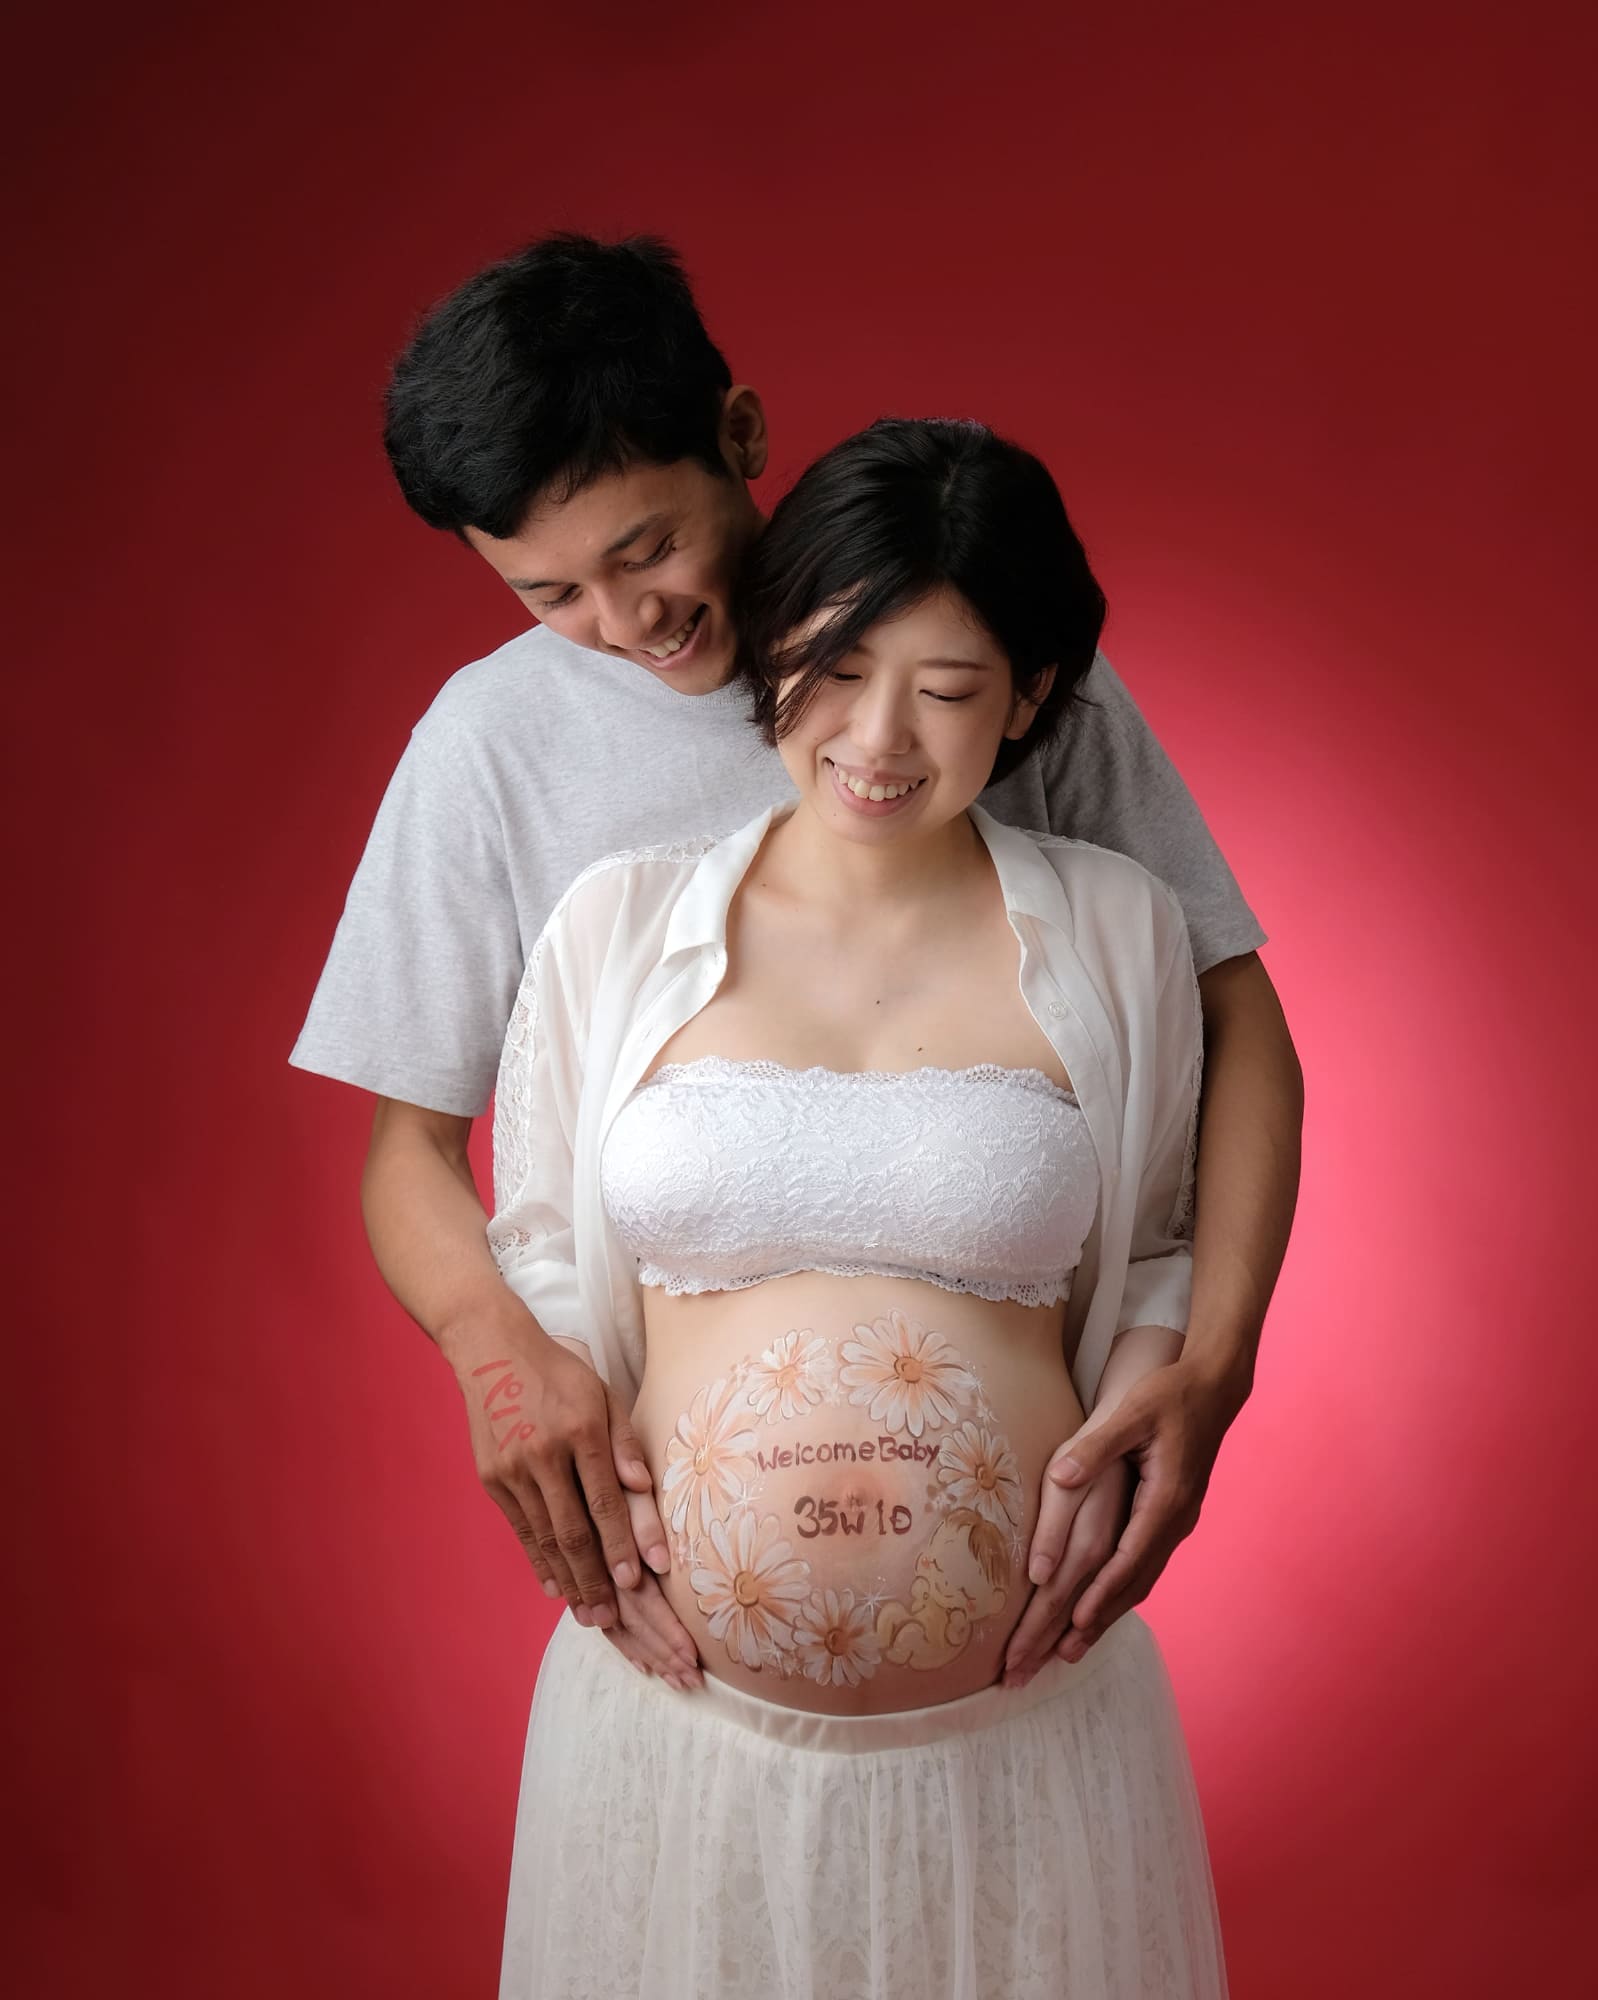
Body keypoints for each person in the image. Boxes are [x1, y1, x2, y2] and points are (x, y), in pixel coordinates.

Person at [291, 233, 1301, 1692]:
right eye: (548, 594)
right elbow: (409, 1147)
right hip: (683, 1650)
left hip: (1011, 1641)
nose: (624, 626)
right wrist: (496, 1357)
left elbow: (1232, 1015)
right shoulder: (489, 746)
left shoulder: (972, 642)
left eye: (647, 550)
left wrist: (1213, 1364)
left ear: (742, 434)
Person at [486, 414, 1228, 1996]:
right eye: (831, 669)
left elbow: (1158, 1241)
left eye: (947, 690)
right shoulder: (615, 930)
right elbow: (539, 1243)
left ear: (1028, 696)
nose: (877, 737)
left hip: (1024, 1738)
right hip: (678, 1737)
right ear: (770, 649)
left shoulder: (1118, 931)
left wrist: (1158, 1381)